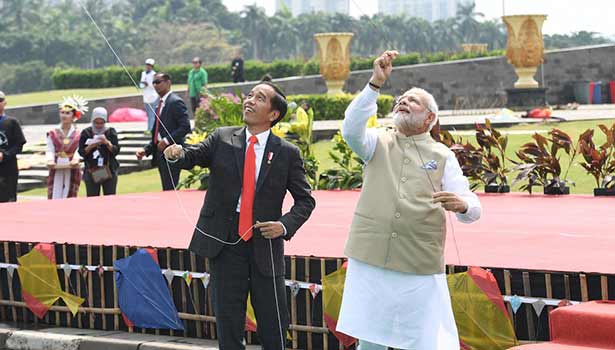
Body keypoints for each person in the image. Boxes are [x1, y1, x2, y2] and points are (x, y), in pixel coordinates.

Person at [336, 51, 482, 350]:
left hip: (418, 261)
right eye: (401, 98)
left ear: (430, 117)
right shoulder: (377, 141)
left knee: (422, 340)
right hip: (371, 256)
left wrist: (463, 205)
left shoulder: (443, 155)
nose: (403, 100)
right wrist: (376, 83)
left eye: (413, 100)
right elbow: (350, 129)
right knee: (370, 340)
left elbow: (471, 206)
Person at [164, 80, 315, 350]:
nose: (249, 100)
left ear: (273, 114)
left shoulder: (287, 153)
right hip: (225, 240)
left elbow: (305, 201)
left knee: (273, 322)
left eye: (259, 98)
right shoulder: (222, 138)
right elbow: (193, 156)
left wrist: (283, 225)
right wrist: (176, 154)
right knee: (229, 320)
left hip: (265, 242)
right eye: (249, 95)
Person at [136, 72, 191, 191]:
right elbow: (157, 134)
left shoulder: (175, 102)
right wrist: (146, 150)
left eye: (158, 82)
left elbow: (185, 127)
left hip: (172, 153)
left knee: (170, 189)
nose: (155, 85)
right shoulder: (159, 104)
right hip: (160, 154)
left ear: (168, 83)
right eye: (154, 82)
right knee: (166, 189)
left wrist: (167, 141)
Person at [46, 96, 87, 200]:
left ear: (73, 116)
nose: (64, 115)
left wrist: (76, 158)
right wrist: (50, 159)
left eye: (67, 113)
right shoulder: (52, 133)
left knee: (69, 193)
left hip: (72, 166)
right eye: (62, 112)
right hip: (57, 165)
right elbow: (50, 148)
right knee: (55, 193)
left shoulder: (79, 134)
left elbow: (79, 148)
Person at [78, 107, 121, 196]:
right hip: (91, 170)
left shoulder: (110, 131)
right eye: (96, 123)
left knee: (110, 197)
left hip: (109, 170)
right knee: (92, 198)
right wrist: (91, 146)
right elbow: (81, 152)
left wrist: (107, 143)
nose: (99, 125)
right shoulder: (86, 132)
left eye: (101, 123)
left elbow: (116, 151)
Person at [0, 91, 27, 203]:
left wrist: (4, 155)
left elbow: (18, 145)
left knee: (8, 199)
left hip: (8, 168)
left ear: (5, 102)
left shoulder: (12, 122)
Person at [140, 58, 158, 135]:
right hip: (146, 96)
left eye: (150, 65)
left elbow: (154, 85)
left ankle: (150, 130)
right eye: (147, 65)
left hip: (153, 96)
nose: (148, 67)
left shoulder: (154, 74)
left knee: (152, 114)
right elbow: (141, 83)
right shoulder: (143, 73)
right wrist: (142, 84)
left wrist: (148, 84)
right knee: (148, 114)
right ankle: (149, 128)